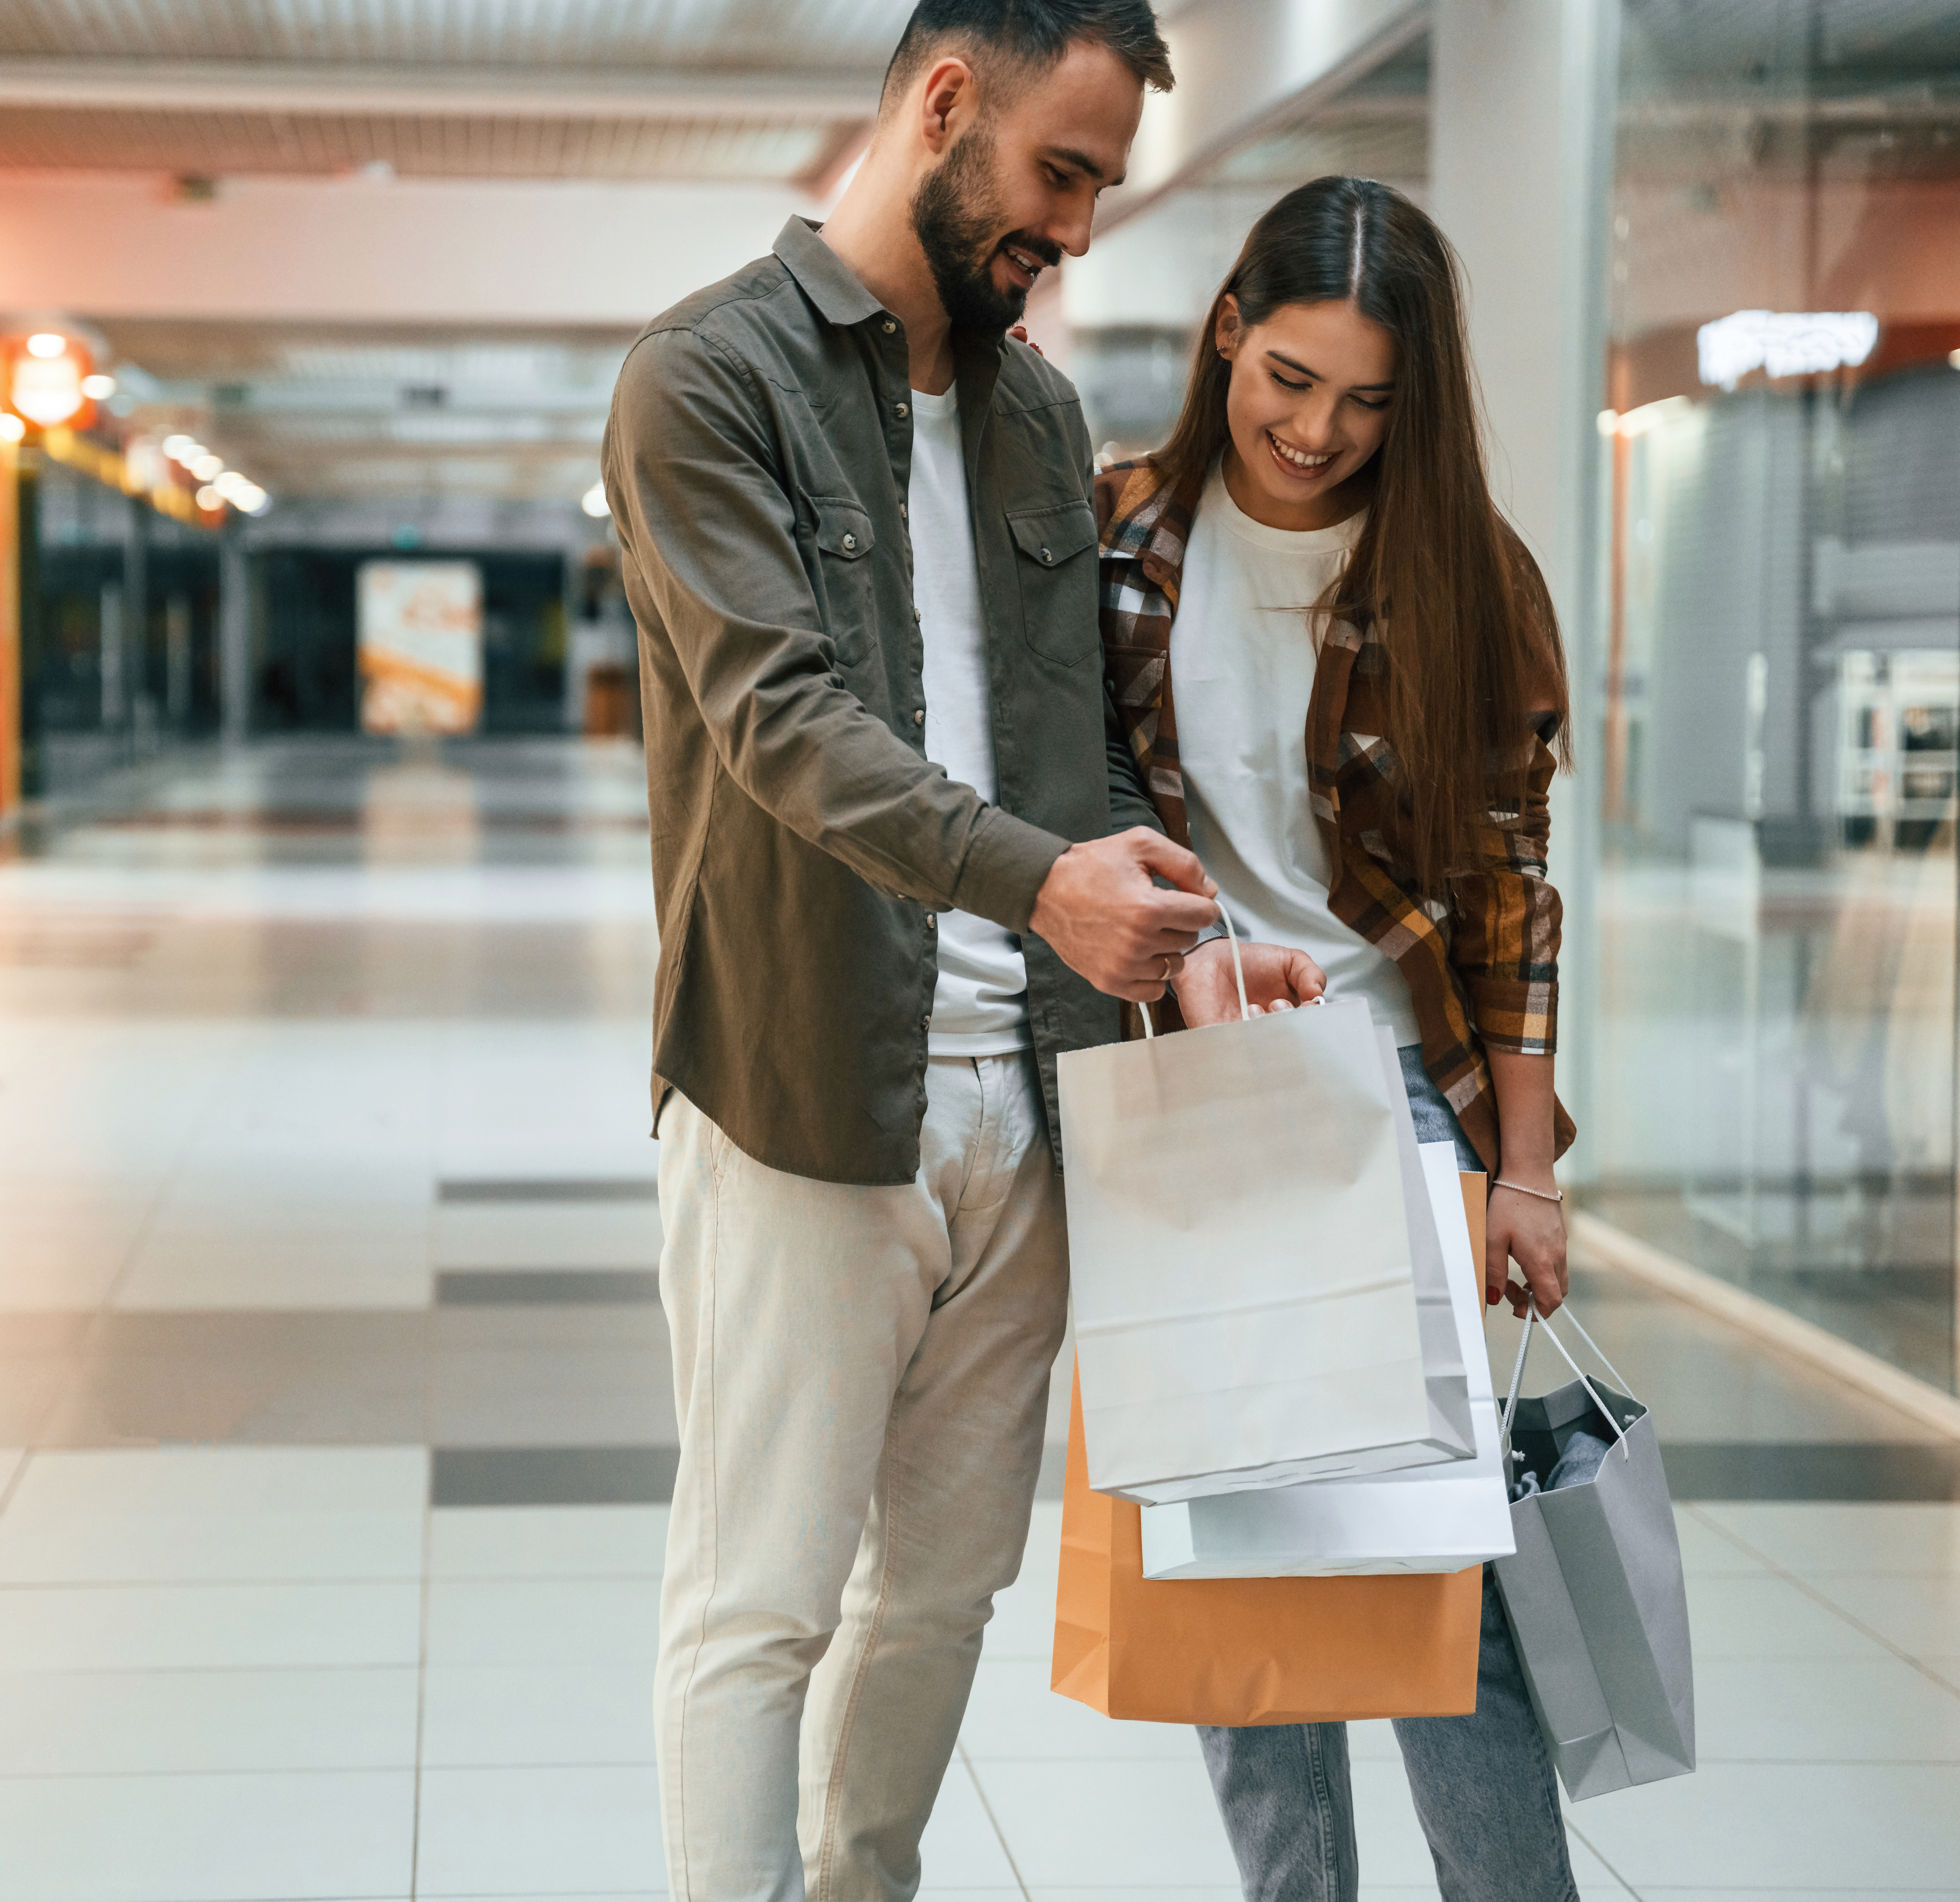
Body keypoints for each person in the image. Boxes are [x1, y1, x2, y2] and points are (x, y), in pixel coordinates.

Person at [602, 7, 1329, 1901]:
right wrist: (1037, 885)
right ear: (945, 106)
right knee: (758, 1599)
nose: (1075, 230)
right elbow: (782, 720)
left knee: (940, 1591)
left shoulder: (1037, 413)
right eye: (1057, 173)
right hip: (804, 1093)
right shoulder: (706, 379)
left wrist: (1179, 954)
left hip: (1036, 1102)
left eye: (1098, 188)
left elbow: (1072, 740)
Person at [1090, 175, 1582, 1899]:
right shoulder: (1119, 538)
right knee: (1246, 1610)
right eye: (1291, 377)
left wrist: (1526, 1170)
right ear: (1230, 327)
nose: (1320, 429)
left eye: (1371, 401)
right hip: (1194, 1119)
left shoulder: (1463, 575)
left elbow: (1511, 894)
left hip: (1402, 1123)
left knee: (1446, 1608)